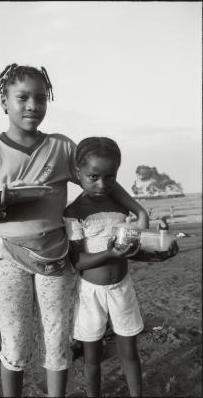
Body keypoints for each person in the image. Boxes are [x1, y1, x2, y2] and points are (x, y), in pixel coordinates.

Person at [0, 63, 149, 398]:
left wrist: (137, 208)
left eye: (40, 98)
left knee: (57, 338)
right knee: (15, 340)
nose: (32, 105)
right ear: (4, 101)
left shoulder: (62, 147)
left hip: (56, 257)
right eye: (22, 97)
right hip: (9, 255)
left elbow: (99, 177)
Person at [64, 137, 178, 397]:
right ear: (78, 171)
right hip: (90, 294)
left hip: (122, 289)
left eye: (110, 177)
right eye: (93, 176)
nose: (102, 184)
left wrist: (155, 256)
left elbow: (128, 251)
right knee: (93, 358)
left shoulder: (119, 207)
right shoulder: (74, 212)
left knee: (130, 353)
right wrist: (110, 252)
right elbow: (78, 262)